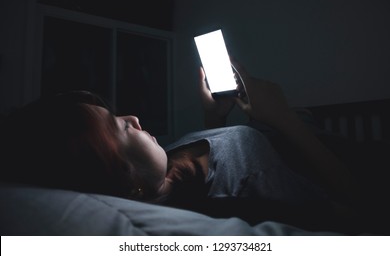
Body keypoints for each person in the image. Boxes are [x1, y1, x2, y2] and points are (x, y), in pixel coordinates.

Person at [0, 60, 363, 233]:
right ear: (129, 184)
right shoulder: (246, 197)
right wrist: (285, 119)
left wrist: (215, 118)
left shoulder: (161, 164)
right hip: (322, 145)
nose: (133, 118)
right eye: (119, 128)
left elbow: (225, 158)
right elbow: (358, 210)